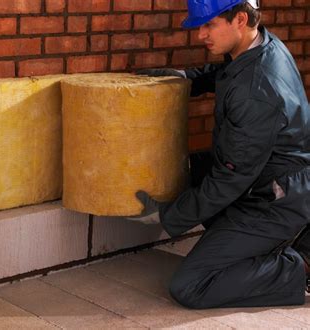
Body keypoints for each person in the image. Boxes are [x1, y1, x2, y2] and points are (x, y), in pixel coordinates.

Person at [134, 0, 310, 308]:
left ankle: (301, 266)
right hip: (274, 179)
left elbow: (230, 180)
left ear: (240, 19)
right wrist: (189, 78)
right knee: (195, 169)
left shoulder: (257, 90)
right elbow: (230, 72)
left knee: (190, 285)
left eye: (209, 25)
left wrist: (168, 216)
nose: (201, 34)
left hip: (274, 200)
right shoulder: (261, 45)